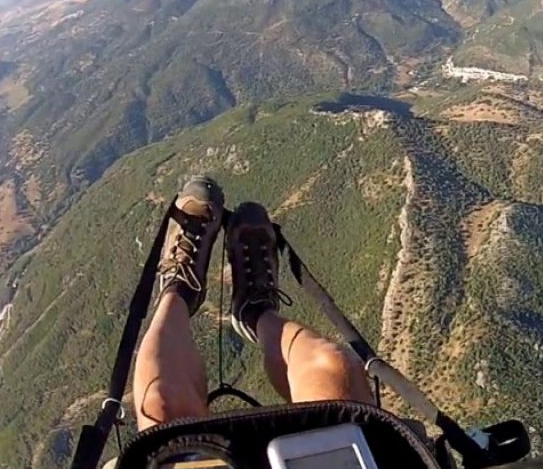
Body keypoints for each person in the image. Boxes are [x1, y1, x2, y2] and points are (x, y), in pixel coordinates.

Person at [133, 176, 373, 430]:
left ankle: (180, 292)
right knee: (337, 367)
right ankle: (253, 310)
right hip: (344, 460)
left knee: (161, 405)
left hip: (185, 463)